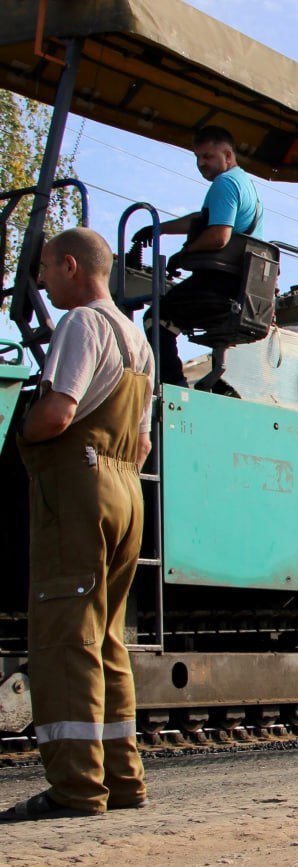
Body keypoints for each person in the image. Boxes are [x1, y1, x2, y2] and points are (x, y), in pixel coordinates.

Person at [1, 228, 153, 821]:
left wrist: (23, 432)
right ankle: (123, 781)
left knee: (65, 638)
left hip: (80, 491)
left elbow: (58, 411)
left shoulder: (82, 326)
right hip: (125, 492)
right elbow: (140, 443)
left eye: (43, 269)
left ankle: (76, 790)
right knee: (106, 638)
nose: (40, 281)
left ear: (70, 266)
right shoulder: (135, 339)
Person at [134, 125, 264, 386]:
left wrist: (184, 254)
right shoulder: (243, 182)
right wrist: (159, 229)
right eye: (198, 158)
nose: (201, 163)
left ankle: (171, 386)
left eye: (208, 156)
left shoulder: (224, 184)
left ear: (227, 155)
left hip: (218, 285)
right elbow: (200, 220)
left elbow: (218, 236)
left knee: (156, 317)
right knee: (171, 309)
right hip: (238, 286)